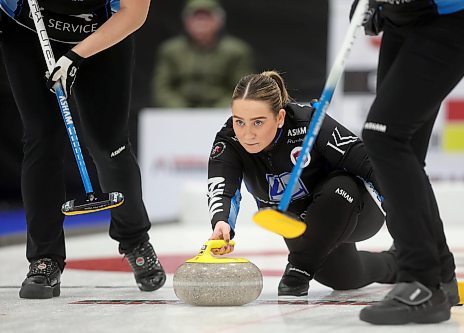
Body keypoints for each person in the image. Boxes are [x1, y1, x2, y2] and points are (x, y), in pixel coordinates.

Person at [0, 0, 166, 299]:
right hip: (29, 28)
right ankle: (45, 259)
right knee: (42, 138)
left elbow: (134, 13)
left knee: (109, 144)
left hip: (102, 28)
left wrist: (76, 56)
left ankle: (134, 239)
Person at [348, 0, 464, 325]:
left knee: (383, 135)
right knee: (403, 147)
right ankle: (440, 278)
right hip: (402, 22)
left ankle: (421, 281)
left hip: (449, 19)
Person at [206, 70, 404, 297]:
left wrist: (399, 211)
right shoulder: (229, 141)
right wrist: (221, 222)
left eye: (258, 122)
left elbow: (368, 163)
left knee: (339, 187)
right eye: (239, 121)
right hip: (301, 225)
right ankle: (396, 263)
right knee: (342, 277)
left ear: (279, 117)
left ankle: (298, 270)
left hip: (355, 208)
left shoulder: (309, 122)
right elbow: (222, 186)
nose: (247, 134)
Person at [152, 0, 254, 108]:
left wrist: (218, 110)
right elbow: (162, 88)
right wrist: (180, 109)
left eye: (207, 17)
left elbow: (243, 88)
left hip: (222, 112)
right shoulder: (170, 50)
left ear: (219, 21)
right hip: (178, 113)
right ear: (186, 22)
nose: (201, 23)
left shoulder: (236, 51)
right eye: (196, 18)